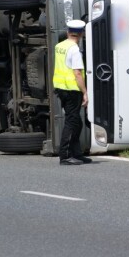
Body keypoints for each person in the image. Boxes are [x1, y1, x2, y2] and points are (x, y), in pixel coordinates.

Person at [53, 19, 92, 165]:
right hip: (72, 89)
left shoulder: (60, 46)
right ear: (81, 33)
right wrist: (85, 92)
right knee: (72, 121)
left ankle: (76, 153)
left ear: (68, 32)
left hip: (61, 87)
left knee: (77, 122)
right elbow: (77, 73)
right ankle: (65, 155)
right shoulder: (74, 49)